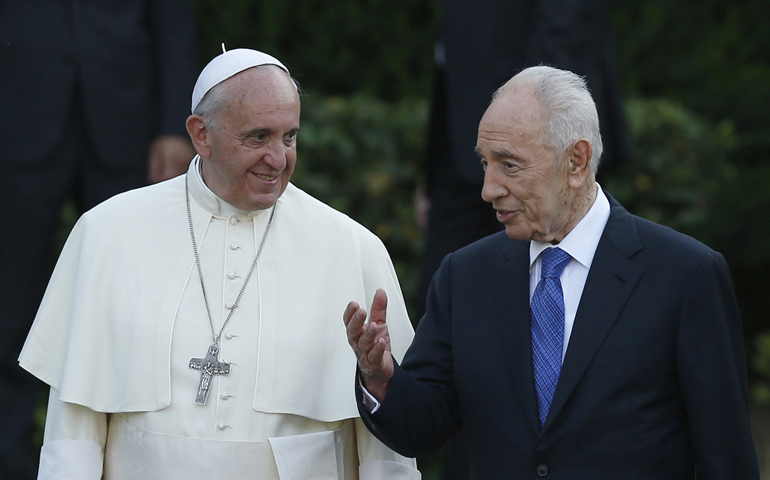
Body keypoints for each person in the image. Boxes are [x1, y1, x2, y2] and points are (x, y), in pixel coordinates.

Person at [19, 48, 420, 479]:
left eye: (289, 137)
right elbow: (73, 431)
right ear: (201, 134)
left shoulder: (352, 248)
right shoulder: (107, 233)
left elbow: (387, 451)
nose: (279, 158)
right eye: (258, 137)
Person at [345, 66, 759, 478]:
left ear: (576, 162)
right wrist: (381, 377)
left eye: (509, 166)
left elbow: (725, 457)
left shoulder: (684, 275)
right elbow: (423, 427)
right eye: (485, 163)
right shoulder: (464, 277)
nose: (488, 189)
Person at [0, 2, 197, 477]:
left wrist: (175, 123)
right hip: (16, 118)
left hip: (127, 124)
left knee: (133, 307)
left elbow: (173, 21)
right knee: (8, 306)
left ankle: (135, 457)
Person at [416, 0, 630, 319]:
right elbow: (450, 57)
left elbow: (563, 34)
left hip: (536, 149)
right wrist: (433, 175)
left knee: (554, 306)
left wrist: (531, 146)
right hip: (458, 156)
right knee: (443, 305)